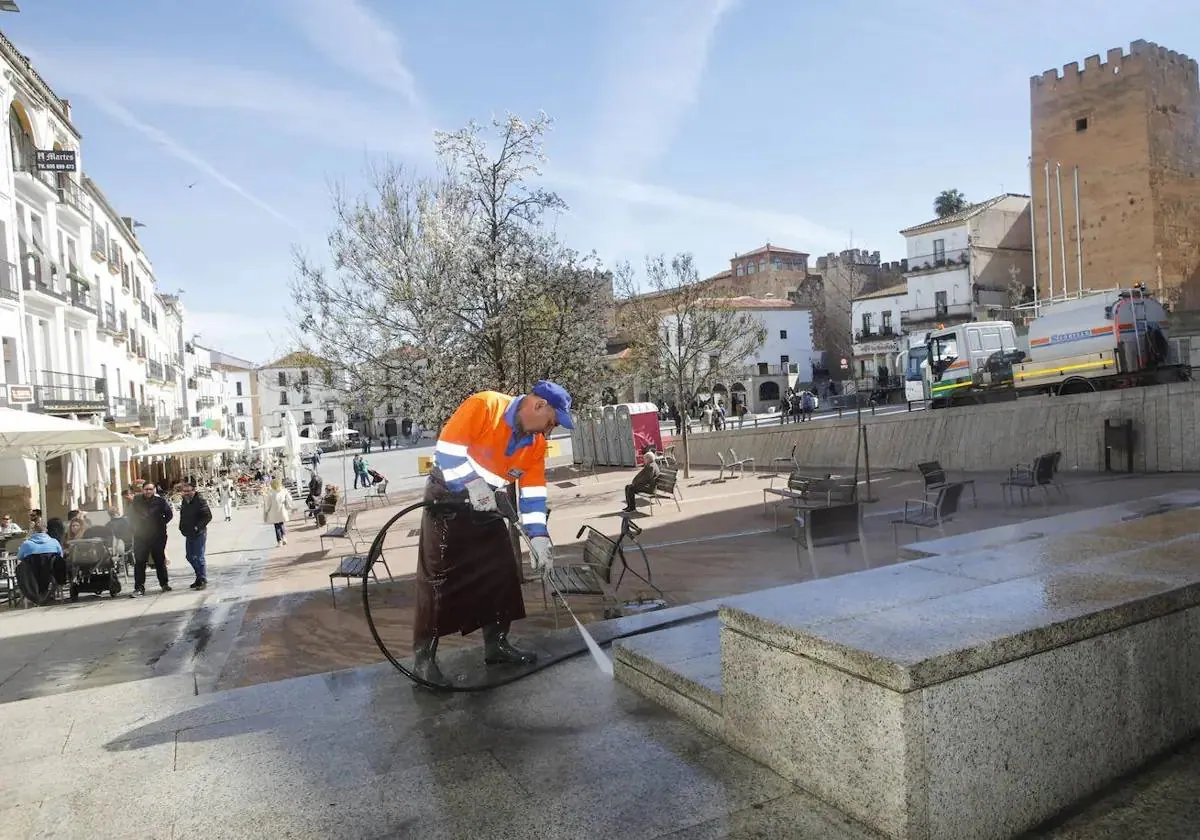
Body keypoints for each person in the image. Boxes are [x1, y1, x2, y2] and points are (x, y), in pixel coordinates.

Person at [413, 380, 573, 683]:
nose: (549, 431)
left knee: (500, 570)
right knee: (438, 578)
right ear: (538, 405)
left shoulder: (535, 445)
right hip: (446, 498)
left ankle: (496, 644)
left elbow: (533, 491)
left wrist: (539, 537)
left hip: (487, 504)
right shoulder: (485, 405)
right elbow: (447, 450)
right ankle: (424, 659)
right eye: (551, 422)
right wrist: (471, 483)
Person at [128, 482, 173, 596]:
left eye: (150, 489)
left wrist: (160, 524)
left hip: (157, 536)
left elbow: (169, 514)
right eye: (146, 489)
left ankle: (164, 584)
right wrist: (135, 529)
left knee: (159, 560)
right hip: (141, 537)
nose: (148, 491)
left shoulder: (160, 502)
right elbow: (130, 517)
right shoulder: (136, 502)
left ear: (154, 490)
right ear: (142, 490)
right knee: (140, 562)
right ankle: (139, 587)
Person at [178, 481, 212, 590]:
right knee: (189, 556)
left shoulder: (200, 501)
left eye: (189, 491)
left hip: (199, 533)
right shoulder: (185, 501)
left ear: (194, 491)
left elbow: (208, 516)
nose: (187, 493)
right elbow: (183, 515)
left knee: (199, 557)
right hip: (189, 533)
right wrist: (181, 527)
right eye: (185, 491)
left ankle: (202, 579)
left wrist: (198, 527)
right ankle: (199, 577)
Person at [262, 478, 292, 546]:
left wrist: (266, 510)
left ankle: (279, 541)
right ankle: (284, 537)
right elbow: (289, 498)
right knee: (281, 524)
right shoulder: (283, 491)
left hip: (273, 512)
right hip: (282, 510)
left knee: (276, 526)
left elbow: (268, 504)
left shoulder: (270, 493)